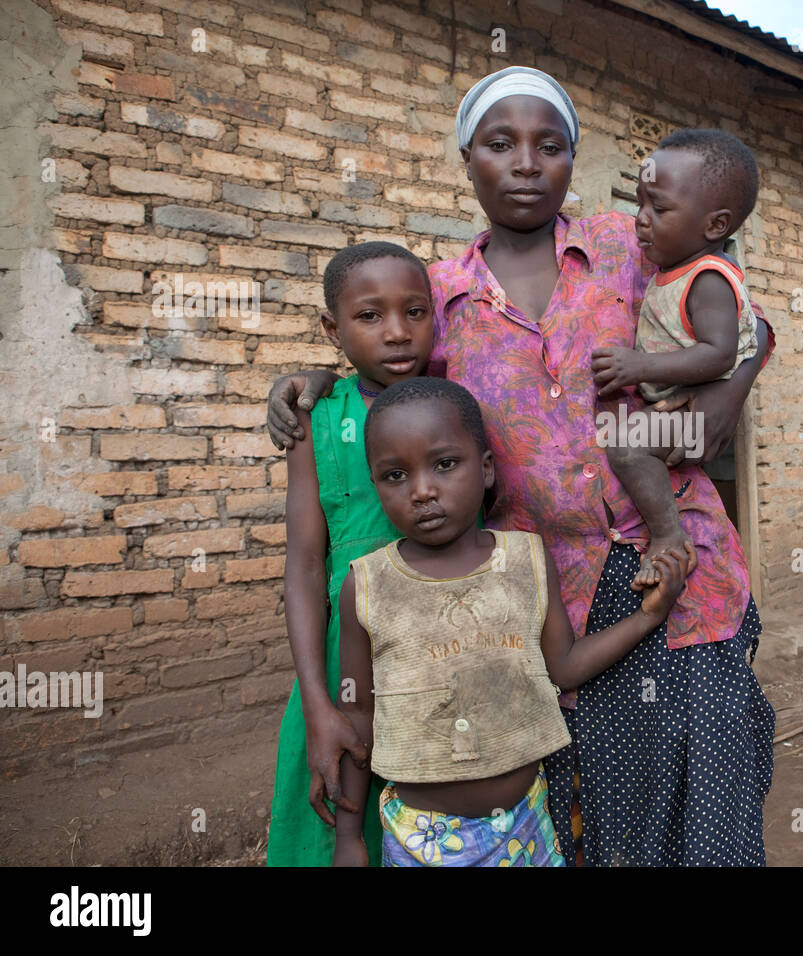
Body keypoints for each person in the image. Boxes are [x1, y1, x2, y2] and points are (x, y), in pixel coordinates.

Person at [266, 65, 776, 866]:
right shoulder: (437, 298)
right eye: (501, 144)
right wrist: (314, 379)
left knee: (708, 789)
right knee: (591, 808)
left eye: (552, 145)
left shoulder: (629, 246)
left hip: (683, 561)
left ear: (573, 161)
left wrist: (720, 406)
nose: (528, 163)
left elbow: (746, 318)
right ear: (468, 159)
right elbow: (384, 372)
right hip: (547, 594)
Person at [332, 377, 691, 867]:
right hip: (420, 838)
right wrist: (349, 838)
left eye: (444, 464)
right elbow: (357, 715)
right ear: (375, 484)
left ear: (484, 471)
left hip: (526, 825)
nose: (421, 491)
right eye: (395, 475)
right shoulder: (367, 585)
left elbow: (562, 667)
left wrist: (649, 617)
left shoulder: (524, 557)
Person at [267, 242, 435, 867]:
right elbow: (306, 563)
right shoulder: (318, 418)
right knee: (338, 824)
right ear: (331, 331)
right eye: (370, 316)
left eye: (415, 311)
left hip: (447, 654)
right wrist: (317, 703)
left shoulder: (455, 409)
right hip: (345, 666)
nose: (397, 332)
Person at [591, 128, 761, 585]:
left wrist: (639, 367)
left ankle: (667, 536)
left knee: (626, 446)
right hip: (677, 408)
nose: (641, 220)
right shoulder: (676, 268)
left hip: (692, 412)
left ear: (715, 226)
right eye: (639, 203)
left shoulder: (708, 279)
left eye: (659, 208)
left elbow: (721, 353)